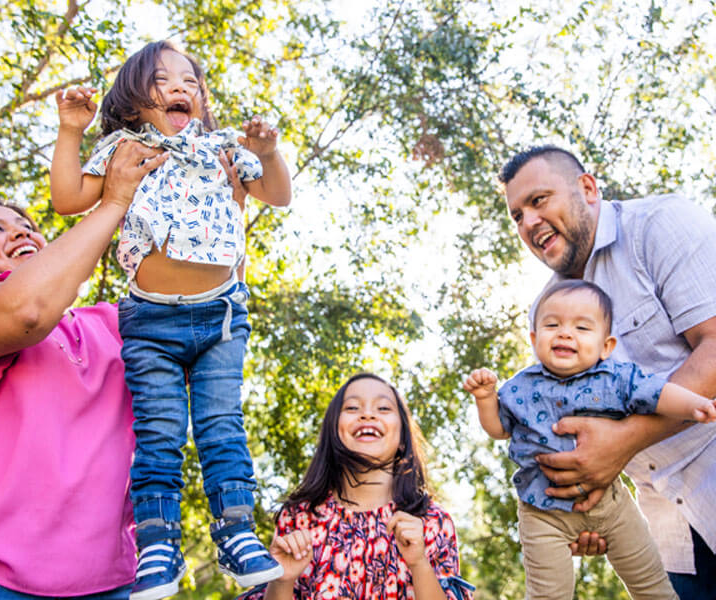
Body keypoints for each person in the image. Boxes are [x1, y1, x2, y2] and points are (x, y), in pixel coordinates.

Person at [50, 40, 292, 600]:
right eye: (164, 79)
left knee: (220, 426)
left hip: (222, 315)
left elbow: (276, 197)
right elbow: (67, 198)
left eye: (191, 79)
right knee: (157, 435)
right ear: (135, 98)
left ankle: (236, 529)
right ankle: (157, 542)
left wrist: (269, 151)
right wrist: (70, 131)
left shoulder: (223, 146)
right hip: (149, 322)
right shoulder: (122, 148)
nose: (182, 87)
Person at [0, 142, 168, 599]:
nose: (22, 233)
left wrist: (225, 195)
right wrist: (113, 201)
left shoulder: (110, 326)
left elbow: (202, 314)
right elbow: (27, 310)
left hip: (104, 585)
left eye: (29, 227)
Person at [498, 145, 716, 598]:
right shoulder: (546, 311)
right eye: (517, 215)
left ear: (588, 188)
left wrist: (624, 442)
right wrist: (580, 512)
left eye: (539, 201)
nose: (529, 222)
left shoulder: (659, 226)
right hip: (670, 537)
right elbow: (568, 430)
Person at [463, 279, 716, 598]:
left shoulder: (617, 378)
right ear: (534, 338)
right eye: (552, 324)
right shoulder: (520, 387)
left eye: (582, 328)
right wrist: (485, 398)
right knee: (547, 594)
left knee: (652, 585)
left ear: (606, 346)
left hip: (612, 506)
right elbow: (498, 428)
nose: (565, 333)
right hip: (543, 515)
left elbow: (659, 394)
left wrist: (696, 405)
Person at [239, 373, 475, 600]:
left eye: (383, 408)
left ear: (403, 437)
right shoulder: (298, 518)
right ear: (333, 430)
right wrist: (282, 580)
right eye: (352, 408)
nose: (368, 414)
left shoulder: (432, 521)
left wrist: (419, 563)